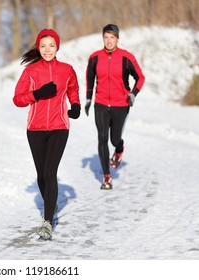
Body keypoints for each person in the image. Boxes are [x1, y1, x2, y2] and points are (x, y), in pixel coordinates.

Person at [13, 29, 81, 240]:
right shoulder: (31, 72)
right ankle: (51, 204)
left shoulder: (67, 69)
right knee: (42, 175)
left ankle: (48, 221)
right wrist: (38, 93)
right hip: (35, 129)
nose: (47, 49)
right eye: (43, 46)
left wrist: (76, 105)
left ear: (57, 46)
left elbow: (73, 89)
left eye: (51, 45)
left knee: (50, 173)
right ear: (38, 48)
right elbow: (18, 99)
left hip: (60, 126)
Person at [85, 24, 145, 190]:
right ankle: (107, 176)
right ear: (103, 38)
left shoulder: (126, 57)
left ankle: (119, 148)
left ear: (117, 39)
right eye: (106, 37)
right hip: (101, 104)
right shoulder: (95, 58)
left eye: (112, 37)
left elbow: (140, 77)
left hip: (121, 104)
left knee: (114, 139)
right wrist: (89, 99)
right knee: (102, 138)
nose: (109, 41)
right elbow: (90, 78)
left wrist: (133, 94)